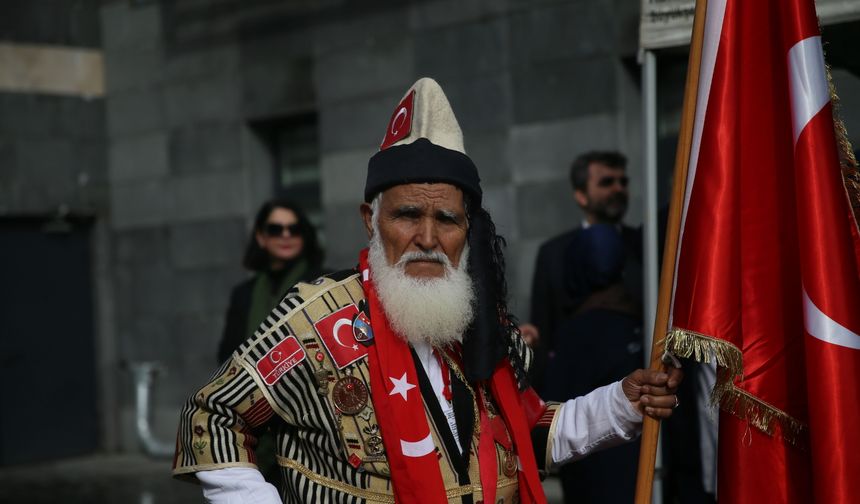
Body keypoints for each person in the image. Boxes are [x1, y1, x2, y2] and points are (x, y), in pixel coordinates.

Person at [173, 77, 681, 504]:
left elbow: (528, 432)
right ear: (370, 220)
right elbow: (213, 415)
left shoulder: (484, 326)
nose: (428, 239)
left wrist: (620, 403)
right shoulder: (315, 321)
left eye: (447, 219)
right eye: (408, 215)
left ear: (468, 230)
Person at [541, 224, 644, 503]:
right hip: (639, 469)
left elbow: (550, 416)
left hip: (593, 476)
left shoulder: (575, 333)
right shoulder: (637, 321)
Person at [528, 151, 643, 374]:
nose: (618, 189)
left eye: (623, 181)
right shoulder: (553, 254)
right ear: (581, 195)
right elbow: (543, 331)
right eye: (606, 182)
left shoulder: (645, 244)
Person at [217, 199, 326, 363]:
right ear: (261, 237)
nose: (286, 235)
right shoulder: (243, 295)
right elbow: (227, 357)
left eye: (294, 229)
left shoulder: (322, 282)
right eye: (276, 229)